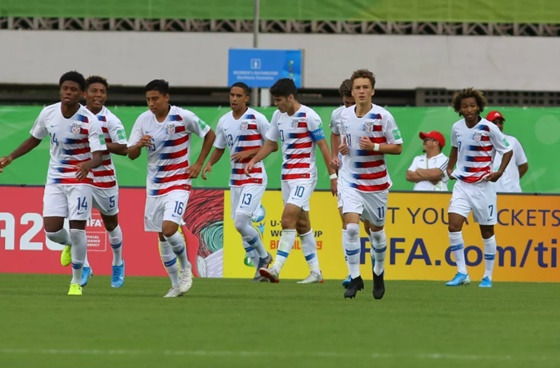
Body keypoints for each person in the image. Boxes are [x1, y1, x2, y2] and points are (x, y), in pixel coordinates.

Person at [0, 71, 106, 296]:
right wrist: (11, 157)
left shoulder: (90, 120)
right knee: (52, 231)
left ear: (81, 93)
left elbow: (99, 156)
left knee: (78, 231)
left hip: (80, 179)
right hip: (56, 179)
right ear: (60, 90)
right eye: (65, 89)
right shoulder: (48, 113)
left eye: (73, 90)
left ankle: (76, 281)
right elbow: (34, 139)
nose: (68, 92)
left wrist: (87, 164)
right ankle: (73, 249)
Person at [127, 79, 216, 297]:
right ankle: (176, 284)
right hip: (155, 187)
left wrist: (198, 163)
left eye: (155, 98)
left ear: (167, 98)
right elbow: (130, 153)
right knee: (161, 236)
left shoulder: (182, 116)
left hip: (179, 183)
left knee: (169, 229)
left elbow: (210, 134)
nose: (151, 103)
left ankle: (186, 268)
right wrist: (139, 145)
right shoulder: (143, 120)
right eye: (148, 99)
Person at [244, 78, 337, 284]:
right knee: (302, 224)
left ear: (291, 97)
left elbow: (323, 147)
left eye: (278, 100)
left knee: (287, 220)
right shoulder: (278, 116)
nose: (276, 104)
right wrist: (254, 160)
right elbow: (270, 144)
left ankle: (276, 268)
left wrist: (333, 176)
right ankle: (316, 272)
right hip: (286, 177)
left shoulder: (309, 116)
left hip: (304, 176)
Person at [334, 69, 403, 300]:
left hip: (376, 184)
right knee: (351, 228)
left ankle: (378, 272)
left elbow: (398, 147)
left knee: (376, 234)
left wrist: (374, 146)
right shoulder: (343, 115)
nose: (361, 91)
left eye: (365, 87)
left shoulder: (383, 116)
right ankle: (355, 278)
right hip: (350, 180)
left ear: (372, 90)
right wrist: (342, 151)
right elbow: (343, 142)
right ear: (352, 92)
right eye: (357, 88)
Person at [201, 82, 273, 281]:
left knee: (241, 221)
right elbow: (219, 148)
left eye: (238, 96)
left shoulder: (257, 118)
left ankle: (265, 257)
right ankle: (259, 269)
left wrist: (250, 153)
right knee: (241, 227)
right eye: (232, 95)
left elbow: (272, 145)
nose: (234, 99)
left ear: (246, 98)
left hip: (255, 177)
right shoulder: (224, 121)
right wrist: (210, 164)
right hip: (236, 180)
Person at [445, 88, 513, 288]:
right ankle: (462, 273)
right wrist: (450, 167)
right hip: (462, 184)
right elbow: (455, 148)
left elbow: (507, 150)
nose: (469, 109)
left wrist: (499, 172)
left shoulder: (489, 128)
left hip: (483, 186)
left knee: (486, 231)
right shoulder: (456, 127)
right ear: (459, 108)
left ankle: (487, 276)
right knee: (453, 225)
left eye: (472, 105)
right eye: (465, 106)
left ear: (479, 107)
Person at [79, 75, 128, 288]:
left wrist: (98, 143)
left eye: (102, 92)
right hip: (81, 178)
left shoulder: (111, 120)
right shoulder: (75, 115)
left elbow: (124, 148)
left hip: (105, 179)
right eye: (94, 91)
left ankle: (118, 262)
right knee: (76, 223)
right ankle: (84, 266)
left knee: (111, 224)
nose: (98, 95)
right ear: (84, 94)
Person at [329, 79, 358, 288]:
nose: (348, 107)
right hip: (346, 176)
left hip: (369, 177)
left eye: (351, 102)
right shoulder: (337, 115)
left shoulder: (372, 115)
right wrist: (335, 155)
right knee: (348, 225)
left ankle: (378, 271)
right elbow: (334, 134)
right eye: (345, 103)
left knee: (373, 228)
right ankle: (352, 274)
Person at [485, 110, 529, 193]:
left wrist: (512, 180)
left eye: (500, 122)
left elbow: (524, 166)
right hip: (490, 193)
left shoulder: (512, 141)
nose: (498, 125)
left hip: (512, 193)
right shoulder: (482, 144)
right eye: (494, 123)